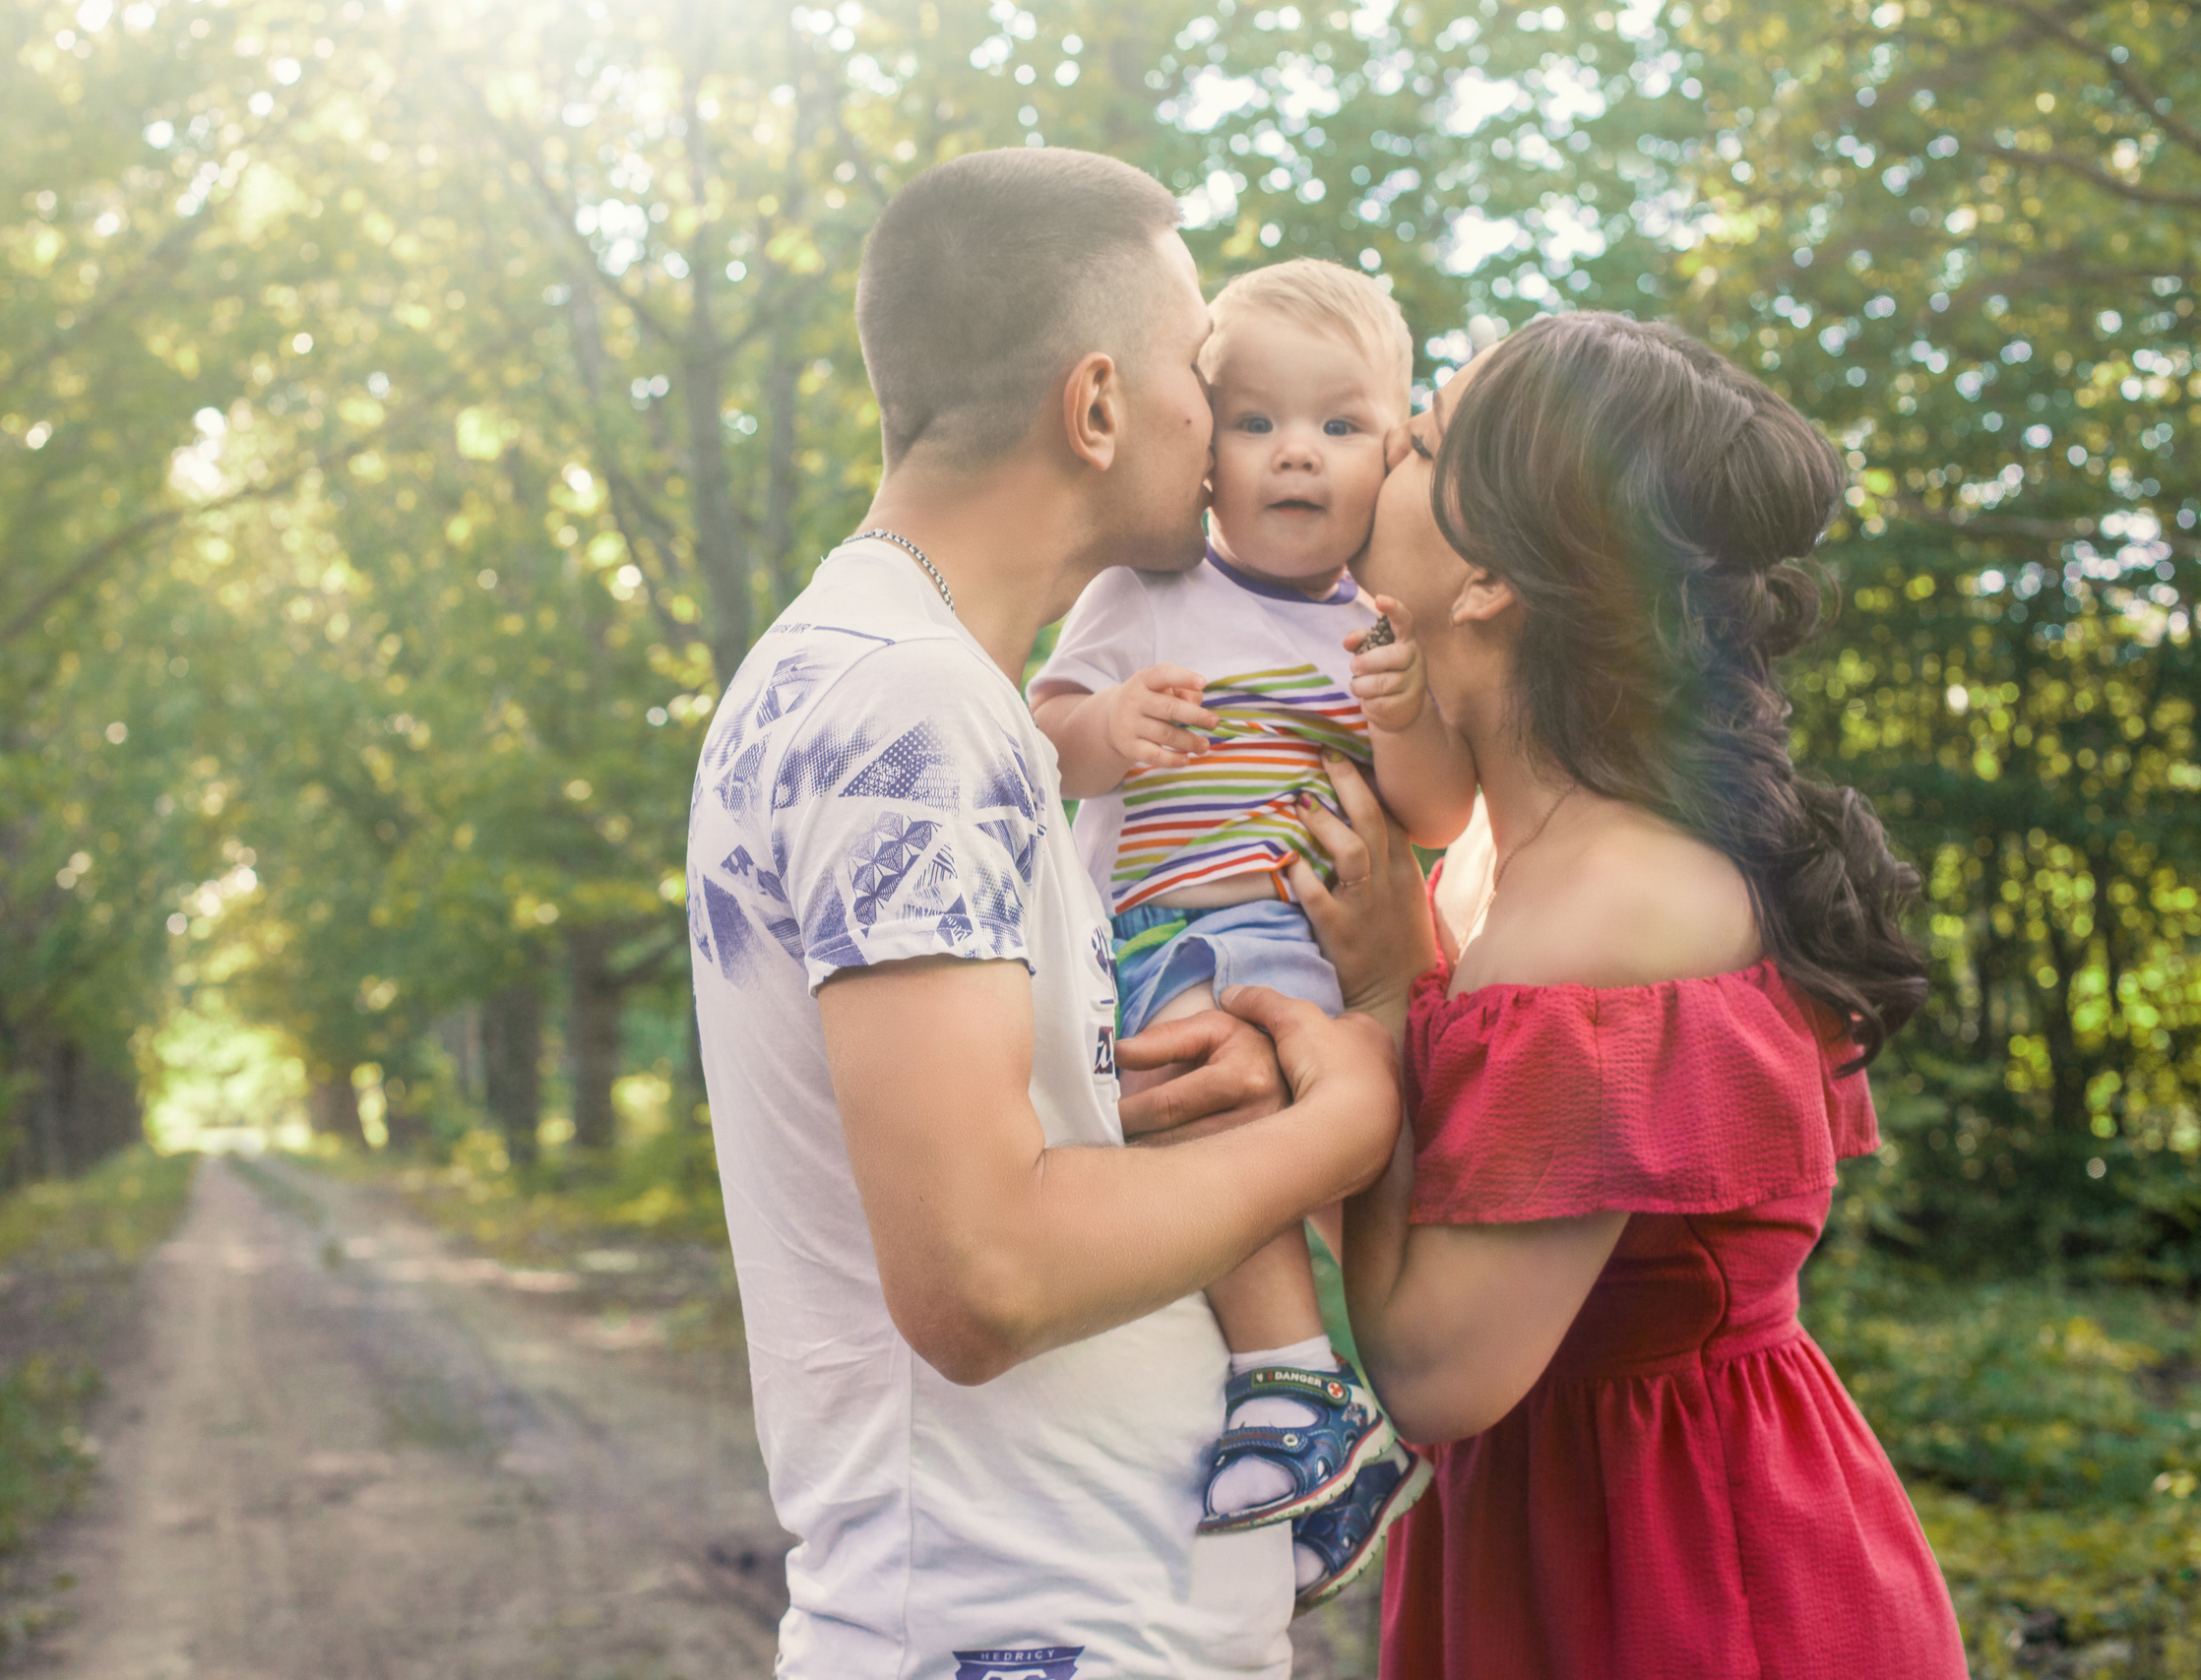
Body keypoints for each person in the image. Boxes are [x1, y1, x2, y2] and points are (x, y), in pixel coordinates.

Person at [683, 148, 1404, 1680]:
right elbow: (984, 1271)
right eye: (1201, 373)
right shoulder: (912, 714)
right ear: (1094, 407)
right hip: (1029, 1628)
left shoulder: (904, 689)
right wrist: (1340, 1124)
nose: (1220, 423)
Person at [1288, 311, 1970, 1675]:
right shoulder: (1496, 856)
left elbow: (1432, 1374)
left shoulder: (1622, 915)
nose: (1376, 457)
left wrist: (1378, 996)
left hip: (1686, 1573)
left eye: (1417, 442)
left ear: (1487, 579)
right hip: (1551, 1530)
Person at [1027, 259, 1471, 1609]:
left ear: (1394, 451)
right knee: (1201, 1119)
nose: (1297, 454)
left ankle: (1326, 1389)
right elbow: (1040, 744)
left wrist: (1405, 707)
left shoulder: (1382, 632)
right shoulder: (1143, 596)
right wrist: (1108, 731)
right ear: (1201, 447)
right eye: (1256, 421)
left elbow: (1438, 812)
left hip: (1311, 954)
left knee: (1267, 1133)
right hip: (1161, 938)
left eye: (1341, 427)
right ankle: (1306, 1396)